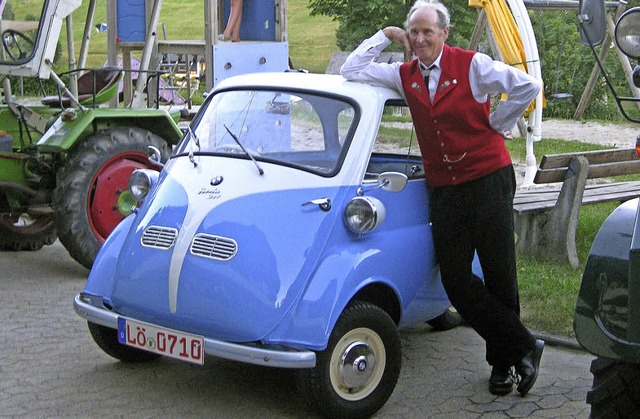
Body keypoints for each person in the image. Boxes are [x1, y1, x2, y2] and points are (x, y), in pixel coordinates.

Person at [341, 0, 544, 396]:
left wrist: (497, 124)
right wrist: (385, 34)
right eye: (413, 32)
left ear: (444, 34)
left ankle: (503, 366)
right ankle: (524, 345)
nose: (419, 40)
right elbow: (353, 68)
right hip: (445, 188)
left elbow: (528, 86)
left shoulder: (472, 64)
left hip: (487, 179)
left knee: (500, 274)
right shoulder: (404, 75)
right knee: (456, 279)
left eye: (427, 32)